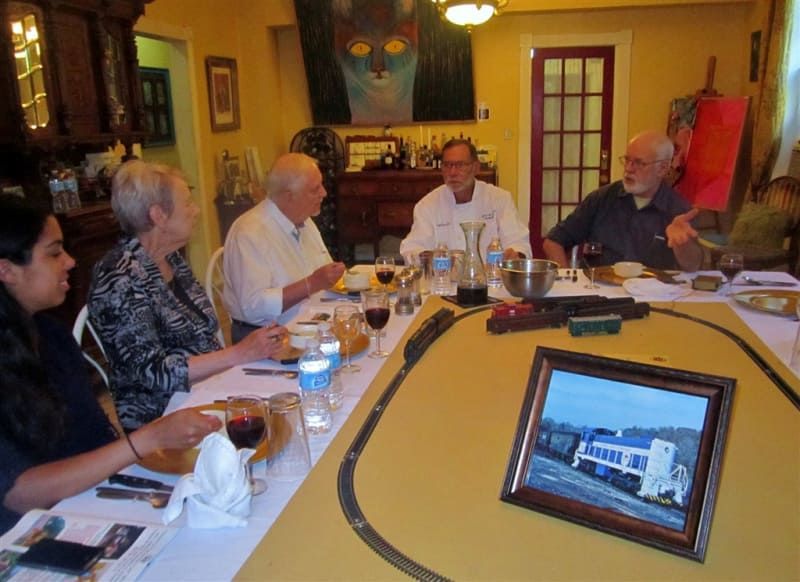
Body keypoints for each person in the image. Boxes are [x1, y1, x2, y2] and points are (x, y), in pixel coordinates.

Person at [0, 194, 221, 535]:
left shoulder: (50, 336)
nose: (71, 262)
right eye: (55, 252)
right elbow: (19, 493)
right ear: (6, 269)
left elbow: (93, 433)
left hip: (93, 496)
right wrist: (146, 440)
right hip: (35, 529)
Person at [88, 160, 287, 431]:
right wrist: (239, 353)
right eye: (187, 203)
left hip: (212, 389)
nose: (196, 211)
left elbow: (203, 334)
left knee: (294, 402)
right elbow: (153, 372)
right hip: (166, 419)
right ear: (158, 215)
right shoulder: (119, 278)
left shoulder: (171, 260)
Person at [223, 153, 345, 340]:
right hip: (266, 336)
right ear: (290, 197)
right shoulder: (249, 232)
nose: (324, 193)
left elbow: (325, 278)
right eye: (315, 189)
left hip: (309, 323)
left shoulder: (305, 221)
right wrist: (311, 284)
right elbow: (253, 307)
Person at [543, 130, 703, 271]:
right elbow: (553, 242)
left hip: (651, 296)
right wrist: (565, 283)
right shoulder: (602, 199)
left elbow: (692, 266)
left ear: (662, 168)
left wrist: (683, 245)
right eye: (627, 160)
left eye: (639, 163)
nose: (628, 169)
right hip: (598, 294)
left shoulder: (678, 210)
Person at [399, 139, 532, 261]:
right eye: (447, 165)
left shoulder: (499, 199)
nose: (452, 172)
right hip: (444, 281)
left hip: (490, 281)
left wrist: (515, 255)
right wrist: (431, 256)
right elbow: (411, 248)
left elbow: (519, 242)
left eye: (460, 165)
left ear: (476, 168)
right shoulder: (428, 205)